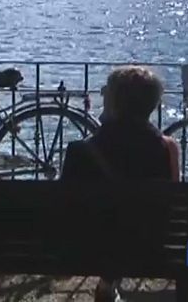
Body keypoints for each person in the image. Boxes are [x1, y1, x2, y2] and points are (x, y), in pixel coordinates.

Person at [60, 66, 180, 302]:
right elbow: (173, 208)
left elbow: (65, 211)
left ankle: (107, 285)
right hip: (155, 252)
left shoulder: (79, 151)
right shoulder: (168, 149)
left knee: (112, 234)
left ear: (113, 103)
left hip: (87, 253)